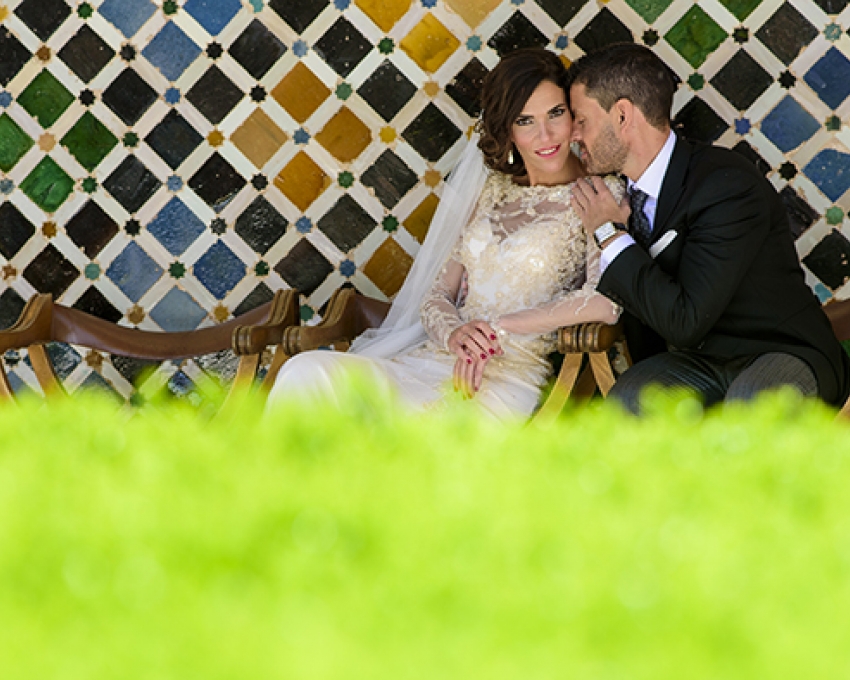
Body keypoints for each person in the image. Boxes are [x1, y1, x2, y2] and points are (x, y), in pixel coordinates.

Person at [267, 48, 623, 420]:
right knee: (305, 371)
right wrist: (455, 334)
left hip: (505, 380)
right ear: (507, 130)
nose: (546, 134)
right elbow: (437, 294)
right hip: (434, 361)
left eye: (555, 114)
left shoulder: (599, 194)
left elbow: (606, 302)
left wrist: (498, 329)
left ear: (572, 115)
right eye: (525, 120)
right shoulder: (491, 191)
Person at [567, 42, 850, 413]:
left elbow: (686, 320)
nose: (573, 134)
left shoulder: (725, 184)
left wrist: (609, 233)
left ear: (622, 115)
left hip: (779, 351)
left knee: (752, 405)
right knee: (630, 401)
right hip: (695, 364)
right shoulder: (616, 197)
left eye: (581, 120)